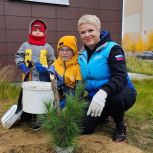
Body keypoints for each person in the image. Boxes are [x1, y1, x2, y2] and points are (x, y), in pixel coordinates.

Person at [77, 14, 137, 142]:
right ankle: (104, 115)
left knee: (116, 99)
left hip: (119, 92)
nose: (87, 35)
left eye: (90, 30)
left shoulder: (112, 49)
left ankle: (120, 123)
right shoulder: (81, 54)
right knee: (84, 127)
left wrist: (103, 92)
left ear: (98, 30)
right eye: (83, 32)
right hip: (94, 97)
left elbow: (120, 77)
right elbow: (82, 80)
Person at [15, 19, 55, 130]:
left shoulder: (47, 47)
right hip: (28, 78)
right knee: (27, 96)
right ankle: (26, 115)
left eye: (40, 30)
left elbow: (53, 62)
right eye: (35, 30)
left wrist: (46, 70)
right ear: (30, 31)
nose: (37, 32)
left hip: (42, 79)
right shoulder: (25, 45)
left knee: (40, 99)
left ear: (44, 32)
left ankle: (39, 119)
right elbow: (18, 56)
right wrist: (21, 65)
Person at [35, 35, 82, 108]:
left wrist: (70, 100)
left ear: (74, 51)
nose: (64, 53)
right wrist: (44, 72)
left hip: (71, 92)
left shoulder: (78, 66)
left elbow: (79, 89)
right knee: (43, 74)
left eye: (68, 50)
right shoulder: (56, 64)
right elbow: (49, 78)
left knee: (63, 108)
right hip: (58, 89)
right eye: (61, 49)